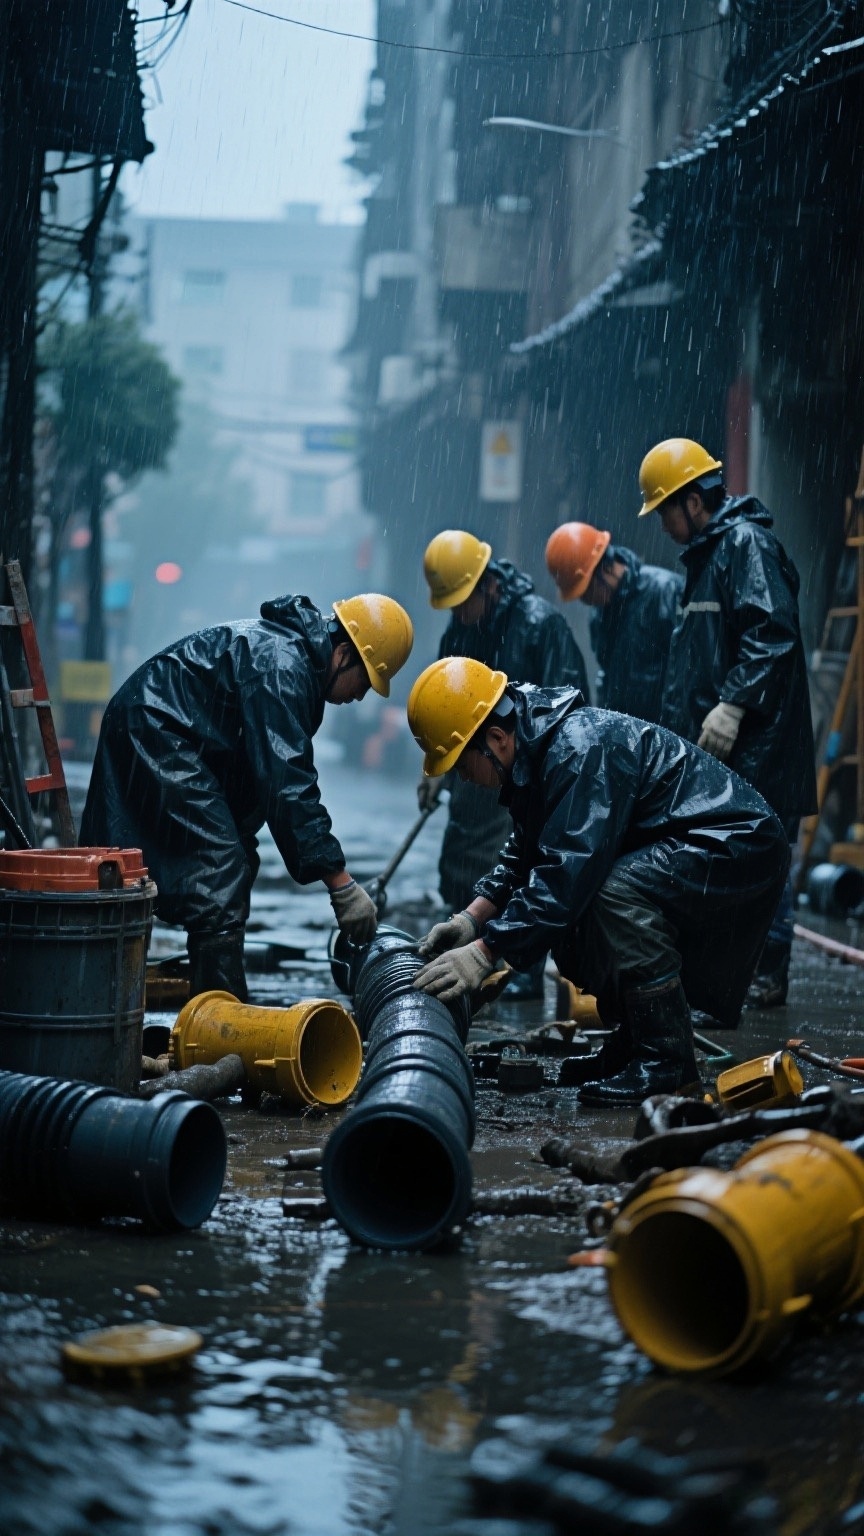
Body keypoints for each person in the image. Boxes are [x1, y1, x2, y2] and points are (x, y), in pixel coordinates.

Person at [407, 657, 788, 1106]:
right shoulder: (537, 752)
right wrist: (472, 921)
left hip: (736, 843)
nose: (464, 779)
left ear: (495, 739)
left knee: (610, 895)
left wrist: (486, 952)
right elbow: (527, 857)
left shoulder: (577, 749)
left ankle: (667, 1063)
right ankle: (636, 1044)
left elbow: (565, 875)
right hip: (707, 843)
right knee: (579, 918)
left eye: (463, 765)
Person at [81, 592, 414, 1001]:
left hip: (159, 728)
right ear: (343, 653)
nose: (361, 696)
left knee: (233, 860)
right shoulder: (282, 667)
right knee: (219, 872)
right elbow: (287, 785)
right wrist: (340, 882)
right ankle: (219, 1018)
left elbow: (257, 783)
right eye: (364, 680)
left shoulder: (291, 664)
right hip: (156, 731)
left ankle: (186, 994)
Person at [639, 437, 817, 1006]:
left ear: (694, 501)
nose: (663, 524)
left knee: (761, 862)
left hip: (760, 747)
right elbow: (693, 664)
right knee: (737, 863)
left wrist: (734, 704)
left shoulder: (746, 544)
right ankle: (735, 977)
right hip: (725, 753)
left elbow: (773, 634)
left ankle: (764, 978)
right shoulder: (706, 557)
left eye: (666, 508)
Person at [417, 528, 589, 999]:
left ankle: (517, 967)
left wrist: (536, 774)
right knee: (459, 861)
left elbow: (571, 706)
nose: (458, 612)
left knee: (520, 862)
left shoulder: (538, 624)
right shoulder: (462, 628)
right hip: (476, 766)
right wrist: (434, 767)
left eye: (463, 600)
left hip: (520, 768)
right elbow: (441, 695)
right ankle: (466, 945)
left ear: (488, 584)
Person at [545, 521, 682, 724]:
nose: (585, 601)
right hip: (629, 734)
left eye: (586, 591)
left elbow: (687, 674)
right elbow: (607, 676)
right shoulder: (599, 615)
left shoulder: (665, 592)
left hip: (670, 734)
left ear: (605, 568)